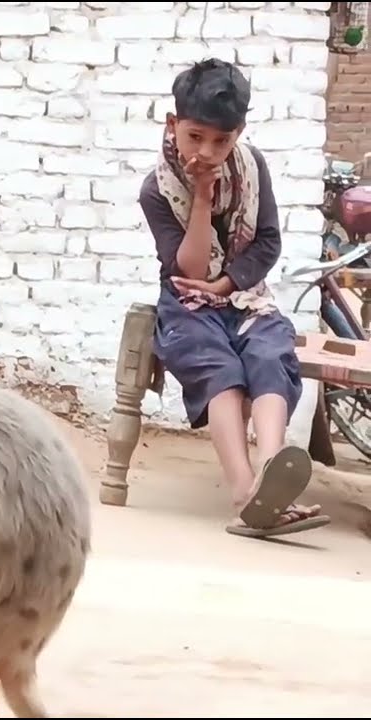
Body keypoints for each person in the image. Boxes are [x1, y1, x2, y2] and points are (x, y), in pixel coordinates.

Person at [139, 58, 331, 539]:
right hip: (186, 304)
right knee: (217, 366)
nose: (207, 151)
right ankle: (246, 495)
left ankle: (273, 474)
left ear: (239, 133)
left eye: (221, 141)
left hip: (245, 297)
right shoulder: (156, 189)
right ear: (173, 125)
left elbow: (266, 242)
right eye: (195, 136)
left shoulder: (252, 167)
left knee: (269, 352)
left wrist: (227, 286)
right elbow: (191, 270)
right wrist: (202, 197)